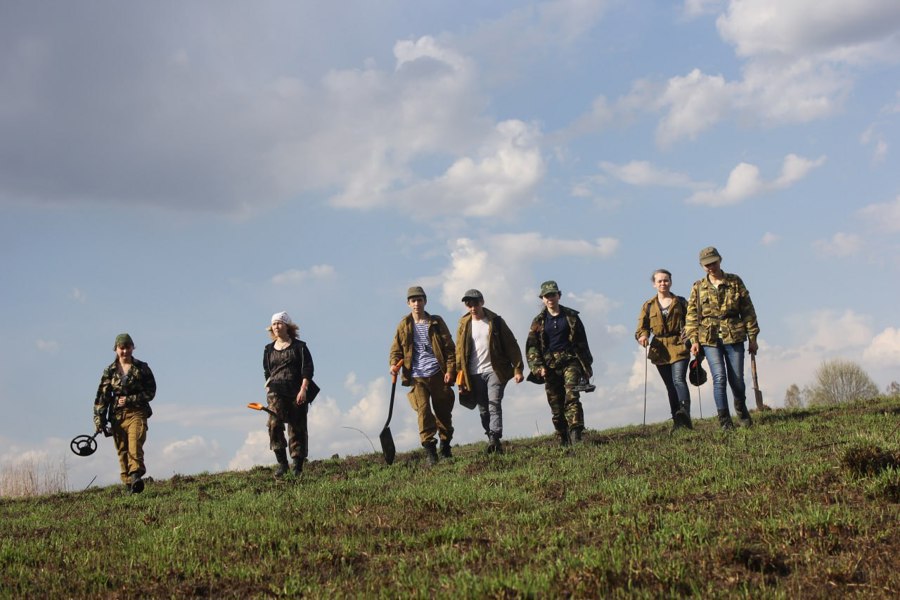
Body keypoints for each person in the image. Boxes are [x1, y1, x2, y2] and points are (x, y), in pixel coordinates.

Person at [685, 247, 760, 430]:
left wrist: (753, 338)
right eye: (706, 265)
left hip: (734, 335)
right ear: (702, 266)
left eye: (713, 262)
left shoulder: (735, 281)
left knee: (737, 380)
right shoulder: (698, 287)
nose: (711, 267)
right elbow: (692, 315)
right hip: (709, 339)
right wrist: (694, 340)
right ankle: (725, 421)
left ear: (720, 260)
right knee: (719, 377)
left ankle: (741, 410)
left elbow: (748, 310)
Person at [389, 286, 456, 465]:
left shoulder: (436, 322)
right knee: (423, 411)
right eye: (413, 300)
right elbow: (396, 350)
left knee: (443, 412)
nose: (416, 303)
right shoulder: (404, 324)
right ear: (408, 303)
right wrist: (393, 365)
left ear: (425, 301)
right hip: (416, 376)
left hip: (438, 373)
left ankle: (445, 446)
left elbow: (450, 348)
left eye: (419, 300)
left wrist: (450, 371)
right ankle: (430, 452)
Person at [455, 289, 525, 454]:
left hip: (495, 370)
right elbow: (458, 352)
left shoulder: (496, 321)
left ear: (482, 302)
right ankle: (491, 437)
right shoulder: (464, 325)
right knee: (483, 409)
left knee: (494, 403)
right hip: (473, 373)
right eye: (469, 304)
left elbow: (511, 346)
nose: (472, 307)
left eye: (475, 303)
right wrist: (460, 378)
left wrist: (518, 369)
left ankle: (495, 436)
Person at [525, 280, 594, 446]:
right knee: (556, 405)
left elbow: (582, 342)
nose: (550, 298)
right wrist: (538, 368)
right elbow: (532, 348)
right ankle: (563, 436)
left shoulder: (571, 317)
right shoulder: (538, 321)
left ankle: (576, 433)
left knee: (572, 396)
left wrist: (587, 366)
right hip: (549, 367)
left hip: (571, 361)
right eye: (547, 296)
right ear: (542, 298)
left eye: (553, 295)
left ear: (559, 296)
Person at [93, 333, 156, 494]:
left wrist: (130, 399)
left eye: (128, 347)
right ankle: (129, 484)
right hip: (117, 417)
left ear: (133, 348)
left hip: (137, 412)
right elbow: (102, 397)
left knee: (135, 444)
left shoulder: (142, 368)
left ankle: (136, 476)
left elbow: (151, 392)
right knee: (122, 450)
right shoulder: (110, 371)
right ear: (116, 349)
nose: (125, 351)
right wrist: (99, 421)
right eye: (122, 348)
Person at [635, 269, 693, 430]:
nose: (663, 283)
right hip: (659, 349)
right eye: (659, 281)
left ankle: (685, 414)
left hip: (679, 344)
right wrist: (643, 336)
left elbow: (693, 321)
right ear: (654, 284)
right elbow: (641, 327)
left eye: (666, 280)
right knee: (670, 385)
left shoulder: (681, 302)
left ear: (671, 282)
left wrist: (692, 336)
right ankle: (677, 419)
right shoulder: (648, 306)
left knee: (678, 379)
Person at [263, 311, 315, 477]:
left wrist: (303, 389)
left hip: (296, 391)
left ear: (287, 326)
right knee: (273, 424)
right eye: (274, 324)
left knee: (297, 427)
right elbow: (267, 370)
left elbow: (308, 369)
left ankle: (297, 467)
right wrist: (268, 386)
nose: (276, 326)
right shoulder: (268, 349)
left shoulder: (300, 347)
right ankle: (282, 463)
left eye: (279, 323)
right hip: (276, 391)